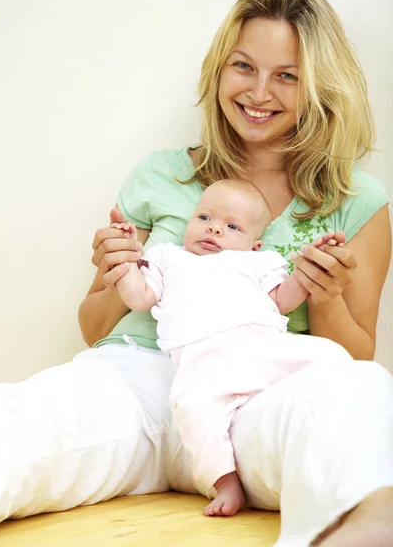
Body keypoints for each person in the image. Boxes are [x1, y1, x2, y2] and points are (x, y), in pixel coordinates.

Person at [0, 0, 392, 547]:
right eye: (243, 66)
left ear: (320, 87)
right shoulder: (162, 173)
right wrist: (113, 273)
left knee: (362, 394)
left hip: (257, 392)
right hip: (140, 381)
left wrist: (322, 295)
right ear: (218, 70)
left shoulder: (358, 200)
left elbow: (353, 355)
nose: (259, 92)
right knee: (15, 417)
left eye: (287, 76)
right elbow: (94, 327)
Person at [113, 178, 352, 517]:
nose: (214, 231)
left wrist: (308, 269)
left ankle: (351, 420)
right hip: (202, 359)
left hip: (264, 346)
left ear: (254, 245)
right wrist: (125, 262)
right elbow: (139, 298)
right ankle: (225, 482)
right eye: (204, 218)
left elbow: (282, 300)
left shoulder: (258, 262)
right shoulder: (166, 256)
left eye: (232, 226)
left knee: (330, 355)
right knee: (192, 411)